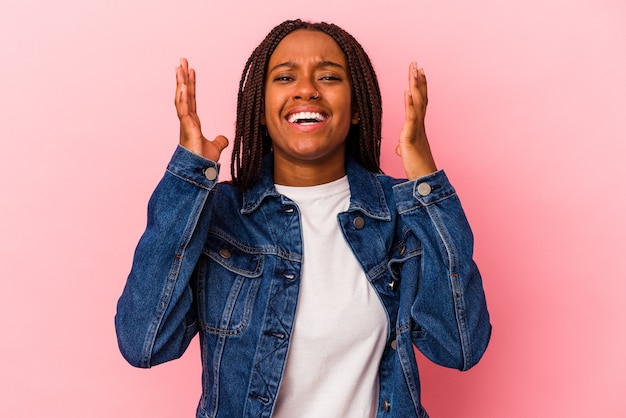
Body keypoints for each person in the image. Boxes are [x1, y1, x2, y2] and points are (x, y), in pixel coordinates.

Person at [115, 19, 491, 418]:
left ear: (357, 108)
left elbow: (460, 347)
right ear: (260, 111)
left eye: (328, 76)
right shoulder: (219, 214)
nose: (307, 89)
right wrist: (190, 177)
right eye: (285, 77)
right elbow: (145, 343)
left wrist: (425, 181)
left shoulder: (399, 213)